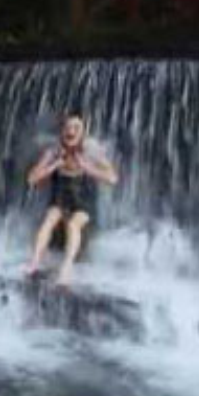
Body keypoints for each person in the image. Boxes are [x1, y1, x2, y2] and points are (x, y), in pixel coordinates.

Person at [24, 113, 119, 286]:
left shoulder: (91, 151)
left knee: (73, 224)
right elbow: (32, 179)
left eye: (76, 128)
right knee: (50, 219)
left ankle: (66, 269)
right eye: (68, 128)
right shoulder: (54, 152)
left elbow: (112, 178)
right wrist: (53, 166)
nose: (71, 132)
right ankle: (34, 263)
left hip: (84, 201)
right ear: (62, 132)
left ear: (83, 133)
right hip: (60, 198)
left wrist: (88, 168)